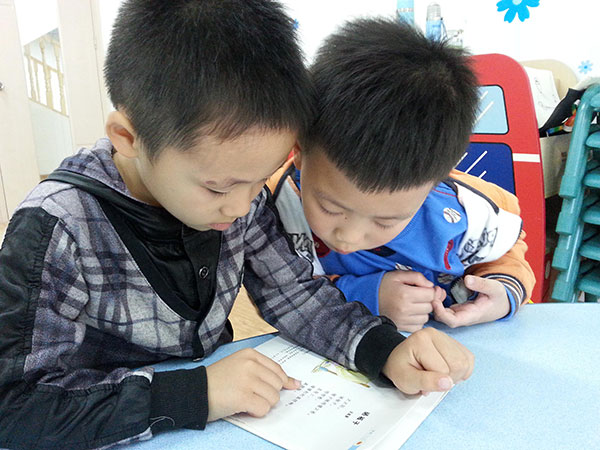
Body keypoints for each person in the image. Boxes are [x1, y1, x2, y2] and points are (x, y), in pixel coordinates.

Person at [0, 2, 473, 449]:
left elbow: (297, 296)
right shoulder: (57, 228)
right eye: (218, 187)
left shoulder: (241, 196)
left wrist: (384, 350)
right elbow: (15, 406)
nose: (243, 206)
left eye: (259, 181)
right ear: (128, 137)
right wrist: (194, 394)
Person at [268, 17, 535, 333]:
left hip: (462, 339)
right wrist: (366, 296)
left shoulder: (465, 209)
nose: (348, 237)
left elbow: (507, 251)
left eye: (385, 222)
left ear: (434, 182)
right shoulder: (276, 201)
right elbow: (280, 290)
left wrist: (503, 291)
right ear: (299, 150)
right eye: (330, 208)